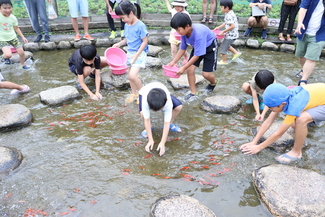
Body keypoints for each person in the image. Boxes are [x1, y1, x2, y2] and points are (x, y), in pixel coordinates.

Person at [240, 83, 325, 164]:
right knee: (294, 124)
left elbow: (279, 133)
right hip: (318, 97)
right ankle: (313, 121)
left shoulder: (293, 106)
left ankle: (296, 152)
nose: (269, 109)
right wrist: (254, 142)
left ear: (283, 104)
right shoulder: (282, 95)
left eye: (271, 107)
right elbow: (268, 121)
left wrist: (259, 147)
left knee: (301, 119)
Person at [168, 12, 218, 101]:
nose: (177, 32)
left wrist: (183, 67)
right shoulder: (183, 34)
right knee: (190, 70)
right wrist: (173, 62)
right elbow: (182, 49)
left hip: (210, 47)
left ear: (187, 26)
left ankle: (213, 83)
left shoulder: (198, 34)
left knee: (205, 74)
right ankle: (193, 92)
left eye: (178, 30)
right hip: (197, 46)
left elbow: (197, 55)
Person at [113, 1, 149, 104]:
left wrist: (137, 55)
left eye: (123, 18)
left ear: (131, 13)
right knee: (130, 75)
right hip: (130, 52)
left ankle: (143, 95)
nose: (123, 20)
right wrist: (119, 44)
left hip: (139, 53)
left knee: (133, 76)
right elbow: (127, 39)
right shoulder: (127, 24)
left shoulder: (140, 25)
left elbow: (145, 42)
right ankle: (134, 94)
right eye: (121, 18)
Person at [139, 82, 182, 156]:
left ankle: (171, 123)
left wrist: (162, 143)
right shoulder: (145, 100)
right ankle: (149, 128)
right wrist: (150, 140)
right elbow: (147, 120)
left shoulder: (168, 102)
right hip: (144, 92)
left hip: (161, 93)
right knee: (143, 113)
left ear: (166, 100)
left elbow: (166, 123)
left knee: (178, 107)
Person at [294, 0, 325, 86]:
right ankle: (304, 70)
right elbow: (303, 8)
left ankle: (304, 80)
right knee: (300, 55)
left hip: (320, 34)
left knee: (311, 58)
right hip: (303, 31)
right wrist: (299, 23)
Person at [0, 0, 30, 69]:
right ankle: (4, 57)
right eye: (5, 8)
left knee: (22, 53)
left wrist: (23, 37)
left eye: (9, 8)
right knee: (8, 55)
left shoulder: (13, 18)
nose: (8, 10)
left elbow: (16, 28)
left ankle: (22, 65)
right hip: (2, 39)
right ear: (0, 8)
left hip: (13, 37)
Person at [214, 0, 241, 65]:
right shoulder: (230, 13)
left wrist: (223, 31)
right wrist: (219, 27)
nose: (221, 8)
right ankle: (236, 53)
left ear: (227, 8)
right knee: (226, 45)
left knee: (223, 47)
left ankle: (224, 61)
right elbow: (226, 22)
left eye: (222, 7)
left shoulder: (229, 15)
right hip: (233, 34)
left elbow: (232, 26)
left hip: (231, 35)